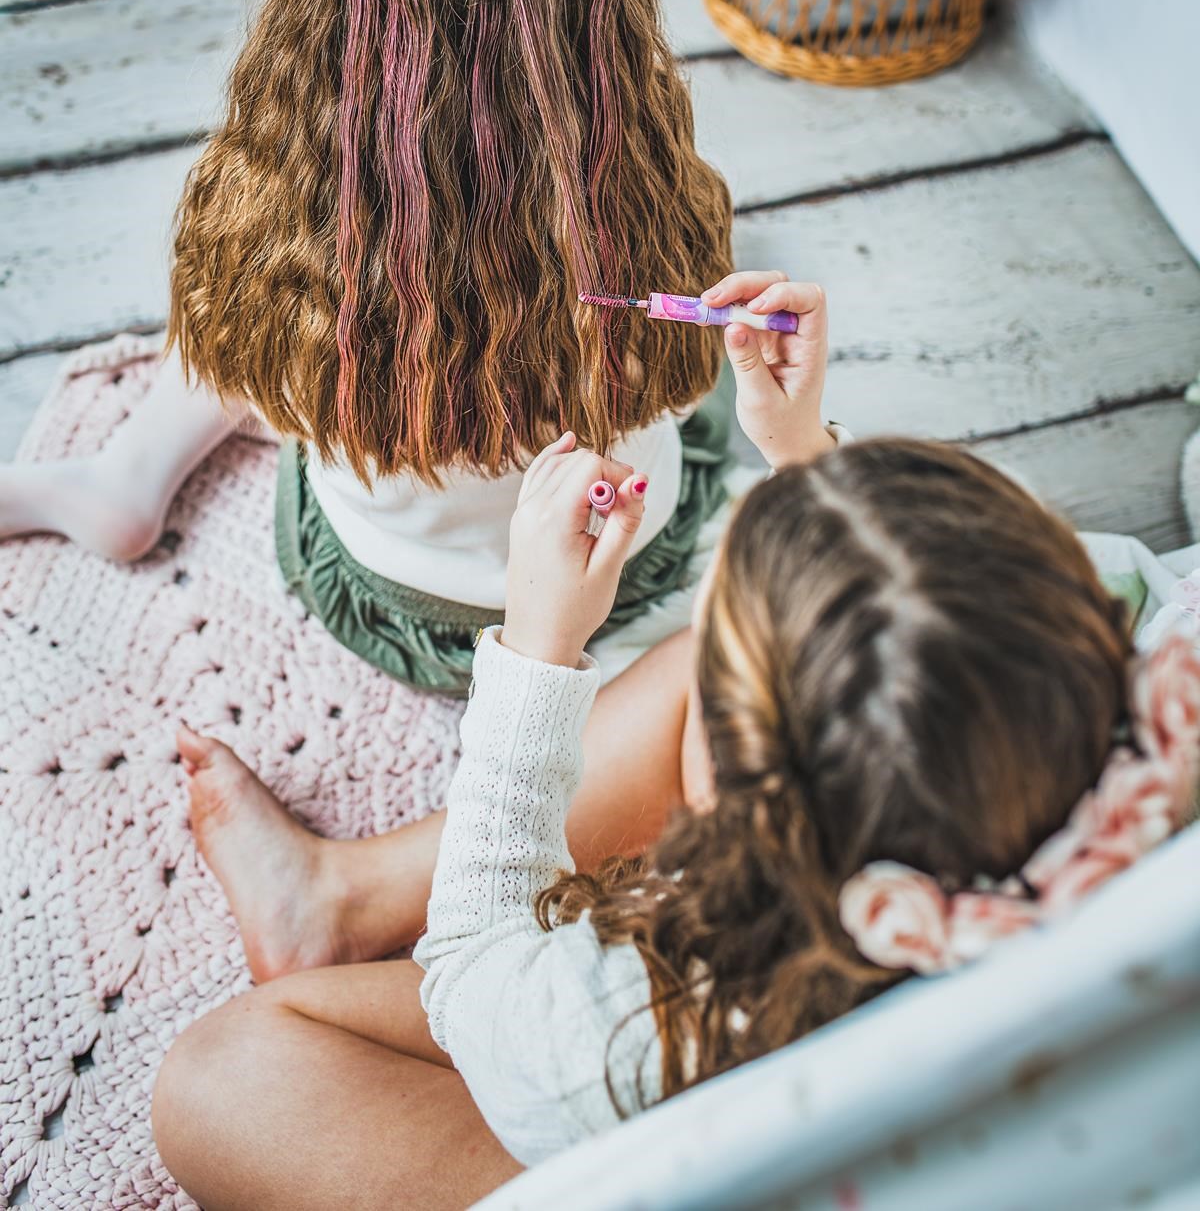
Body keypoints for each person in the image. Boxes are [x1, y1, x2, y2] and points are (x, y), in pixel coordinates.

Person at [152, 272, 1200, 1210]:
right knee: (811, 639)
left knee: (219, 1077)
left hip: (714, 1119)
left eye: (711, 698)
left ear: (721, 803)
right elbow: (919, 648)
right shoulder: (1152, 635)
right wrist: (802, 460)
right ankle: (345, 900)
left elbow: (472, 971)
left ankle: (350, 907)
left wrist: (536, 644)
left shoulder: (635, 1030)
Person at [0, 0, 733, 694]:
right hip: (609, 574)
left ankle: (130, 474)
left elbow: (269, 367)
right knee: (670, 351)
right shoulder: (648, 198)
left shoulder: (272, 207)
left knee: (259, 298)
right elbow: (679, 379)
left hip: (398, 600)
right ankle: (139, 477)